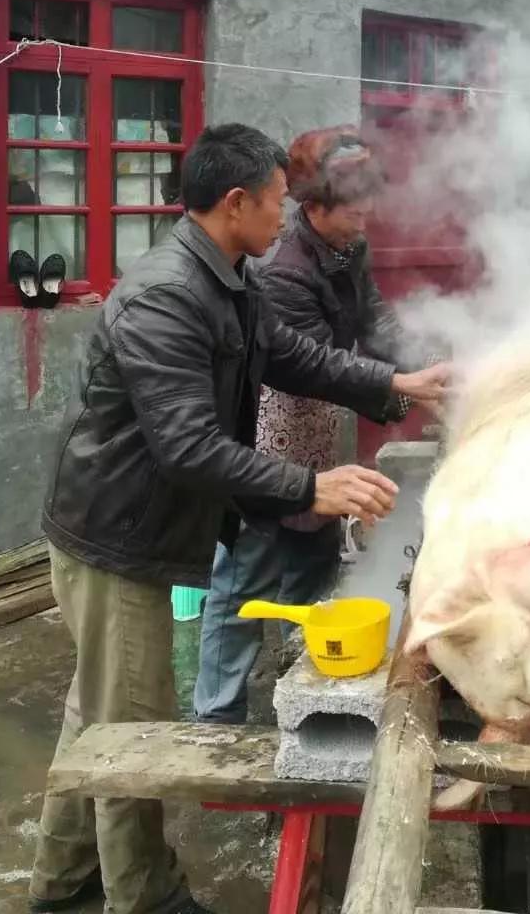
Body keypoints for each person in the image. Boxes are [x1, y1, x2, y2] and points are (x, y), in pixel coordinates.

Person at [29, 124, 450, 914]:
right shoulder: (169, 294)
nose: (286, 213)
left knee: (98, 712)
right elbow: (189, 447)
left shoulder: (225, 274)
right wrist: (308, 488)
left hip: (132, 524)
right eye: (278, 200)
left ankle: (61, 886)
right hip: (118, 538)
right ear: (236, 203)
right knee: (134, 733)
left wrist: (398, 382)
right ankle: (146, 897)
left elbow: (293, 356)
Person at [193, 125, 441, 723]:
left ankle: (303, 670)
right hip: (269, 426)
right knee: (246, 577)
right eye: (354, 210)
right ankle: (216, 713)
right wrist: (399, 391)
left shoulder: (344, 248)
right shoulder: (282, 266)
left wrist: (423, 361)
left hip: (319, 418)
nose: (366, 220)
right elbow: (306, 366)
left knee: (314, 552)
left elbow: (374, 321)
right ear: (315, 204)